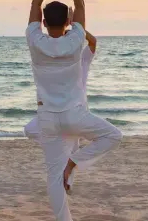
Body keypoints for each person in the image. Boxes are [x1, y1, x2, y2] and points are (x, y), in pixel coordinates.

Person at [26, 0, 122, 221]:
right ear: (68, 22)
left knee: (53, 179)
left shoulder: (35, 40)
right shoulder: (76, 39)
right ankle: (75, 162)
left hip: (49, 119)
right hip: (74, 115)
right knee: (112, 136)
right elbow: (79, 2)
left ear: (43, 23)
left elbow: (34, 2)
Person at [23, 28, 97, 168]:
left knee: (72, 149)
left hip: (76, 108)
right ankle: (59, 146)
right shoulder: (53, 59)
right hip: (56, 110)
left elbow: (93, 42)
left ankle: (66, 182)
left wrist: (79, 29)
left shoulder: (81, 58)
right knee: (30, 129)